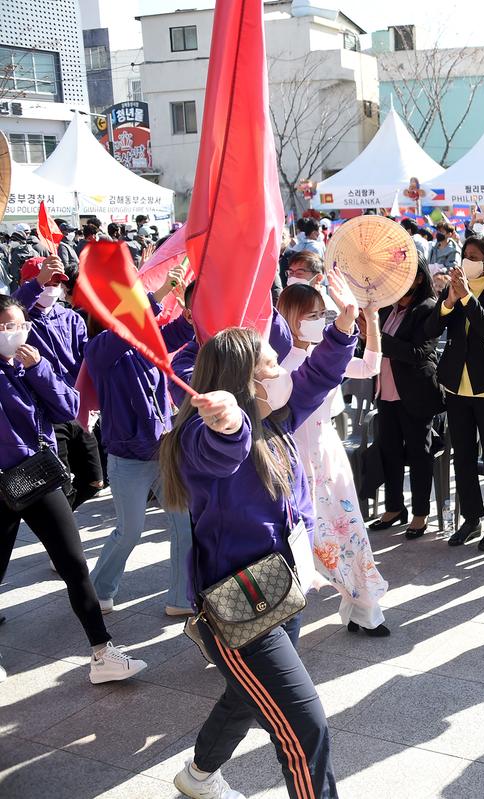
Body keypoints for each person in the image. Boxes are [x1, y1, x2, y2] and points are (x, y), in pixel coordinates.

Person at [159, 273, 358, 799]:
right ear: (244, 380)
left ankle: (198, 776)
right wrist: (228, 424)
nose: (283, 369)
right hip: (238, 606)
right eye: (271, 364)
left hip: (280, 588)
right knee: (305, 727)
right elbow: (221, 451)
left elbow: (318, 376)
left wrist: (344, 326)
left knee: (247, 696)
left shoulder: (275, 419)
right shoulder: (202, 434)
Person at [0, 295, 148, 684]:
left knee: (74, 563)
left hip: (36, 475)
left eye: (21, 325)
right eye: (7, 327)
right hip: (2, 482)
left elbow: (69, 409)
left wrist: (38, 370)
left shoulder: (30, 364)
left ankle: (102, 652)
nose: (16, 334)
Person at [277, 283, 390, 637]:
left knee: (348, 530)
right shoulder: (275, 363)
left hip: (327, 454)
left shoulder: (325, 354)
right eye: (310, 315)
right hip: (291, 459)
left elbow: (370, 366)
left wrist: (371, 319)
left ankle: (365, 608)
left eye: (320, 314)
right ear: (289, 317)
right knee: (299, 539)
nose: (318, 321)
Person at [86, 263, 195, 617]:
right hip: (127, 459)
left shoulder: (148, 342)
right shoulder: (99, 349)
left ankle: (181, 599)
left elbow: (177, 333)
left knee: (184, 524)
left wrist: (190, 314)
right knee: (130, 531)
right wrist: (158, 294)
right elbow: (125, 330)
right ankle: (99, 590)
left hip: (163, 452)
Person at [425, 235, 484, 549]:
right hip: (456, 386)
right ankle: (471, 518)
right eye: (465, 255)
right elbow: (431, 330)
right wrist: (448, 303)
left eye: (474, 256)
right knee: (462, 455)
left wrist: (466, 297)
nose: (467, 260)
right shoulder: (455, 288)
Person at [11, 255, 103, 508]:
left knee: (95, 479)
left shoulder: (72, 318)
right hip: (46, 413)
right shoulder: (20, 321)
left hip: (75, 407)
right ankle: (62, 523)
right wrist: (37, 283)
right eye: (44, 282)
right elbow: (13, 306)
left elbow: (87, 361)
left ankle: (63, 518)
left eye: (56, 282)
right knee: (59, 482)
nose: (51, 287)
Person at [371, 256, 444, 535]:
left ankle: (420, 513)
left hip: (415, 392)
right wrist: (367, 335)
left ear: (419, 278)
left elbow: (418, 353)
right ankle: (394, 507)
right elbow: (374, 349)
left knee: (418, 453)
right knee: (389, 450)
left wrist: (379, 340)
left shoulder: (427, 308)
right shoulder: (385, 309)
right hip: (385, 390)